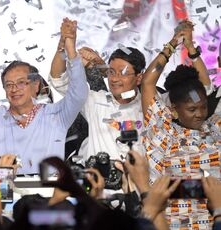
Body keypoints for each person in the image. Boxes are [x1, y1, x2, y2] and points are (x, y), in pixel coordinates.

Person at [0, 18, 89, 174]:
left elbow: (79, 94)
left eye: (21, 82)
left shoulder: (56, 114)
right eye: (9, 85)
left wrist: (70, 50)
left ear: (36, 85)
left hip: (47, 193)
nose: (14, 89)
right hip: (5, 193)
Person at [141, 19, 220, 229]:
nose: (200, 114)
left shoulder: (216, 127)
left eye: (203, 107)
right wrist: (173, 43)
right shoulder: (164, 134)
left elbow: (204, 86)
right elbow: (148, 83)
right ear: (174, 109)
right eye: (192, 109)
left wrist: (192, 49)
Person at [50, 18, 147, 164]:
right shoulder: (96, 101)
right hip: (98, 185)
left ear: (139, 78)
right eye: (112, 72)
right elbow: (58, 79)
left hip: (138, 185)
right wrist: (63, 44)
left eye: (123, 73)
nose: (114, 79)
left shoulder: (150, 106)